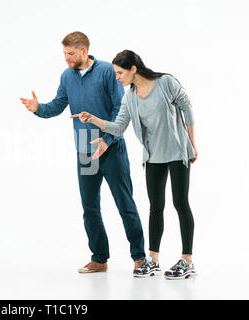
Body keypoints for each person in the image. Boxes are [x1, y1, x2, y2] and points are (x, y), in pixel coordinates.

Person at [20, 32, 146, 273]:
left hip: (110, 145)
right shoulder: (67, 76)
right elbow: (58, 105)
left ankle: (139, 257)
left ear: (84, 51)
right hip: (85, 147)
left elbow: (121, 108)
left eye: (70, 54)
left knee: (124, 203)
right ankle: (99, 258)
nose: (66, 58)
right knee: (90, 206)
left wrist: (107, 140)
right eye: (64, 54)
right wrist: (38, 108)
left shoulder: (108, 72)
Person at [71, 50, 198, 280]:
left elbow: (187, 107)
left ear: (133, 69)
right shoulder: (129, 97)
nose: (117, 77)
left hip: (178, 152)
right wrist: (93, 119)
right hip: (153, 157)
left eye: (120, 73)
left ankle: (187, 260)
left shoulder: (165, 83)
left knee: (180, 203)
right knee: (155, 207)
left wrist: (192, 144)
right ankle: (153, 259)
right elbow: (119, 127)